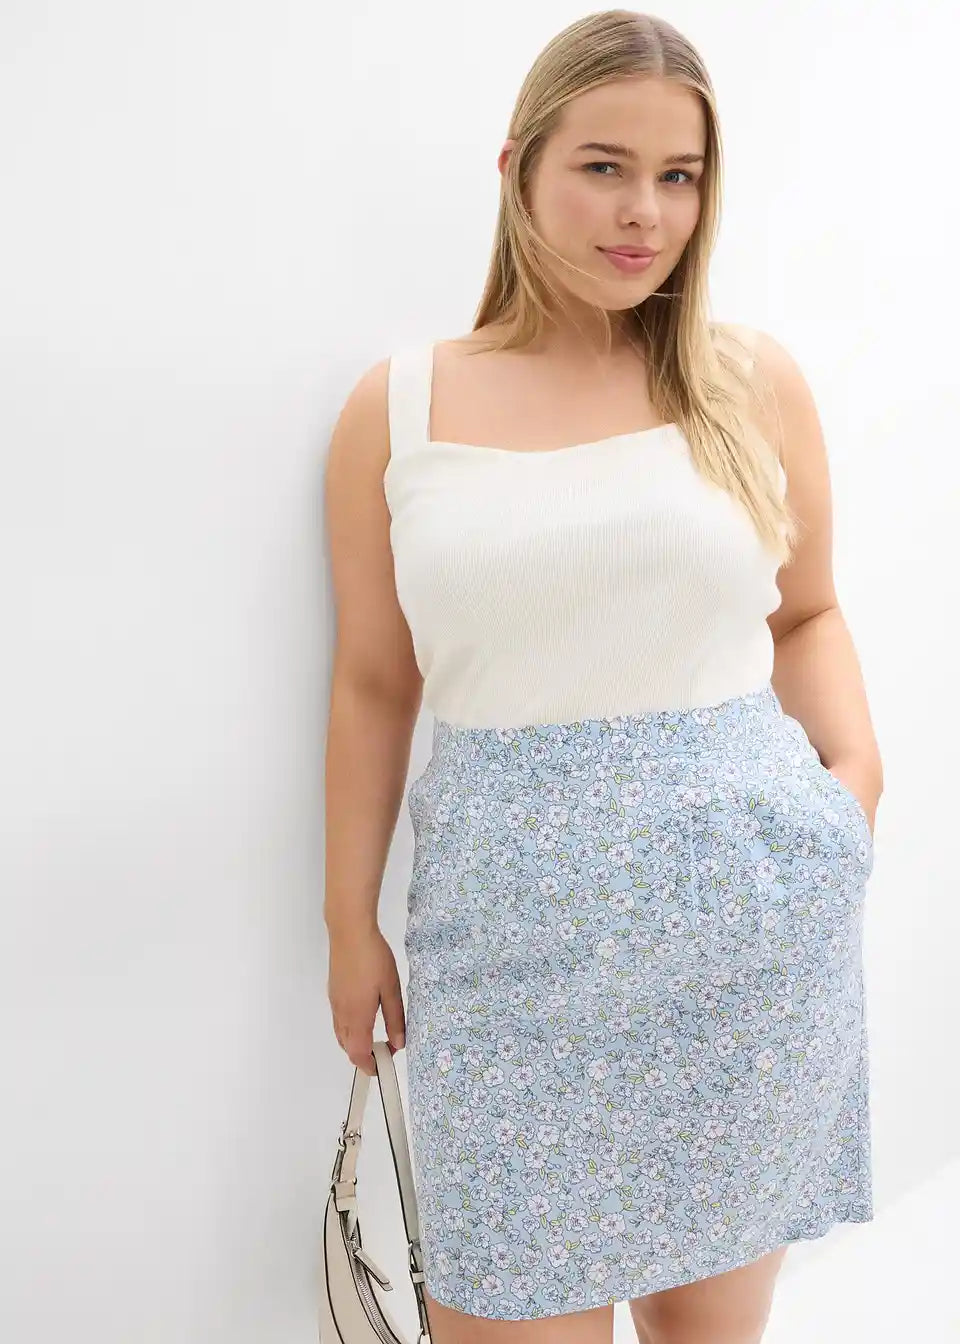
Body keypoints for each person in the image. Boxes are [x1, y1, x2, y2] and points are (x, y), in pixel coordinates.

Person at [323, 9, 883, 1343]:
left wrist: (856, 788)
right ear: (517, 167)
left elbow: (808, 614)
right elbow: (374, 682)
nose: (645, 213)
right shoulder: (399, 408)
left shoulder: (747, 383)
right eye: (603, 167)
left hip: (748, 941)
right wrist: (348, 923)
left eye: (679, 176)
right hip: (509, 960)